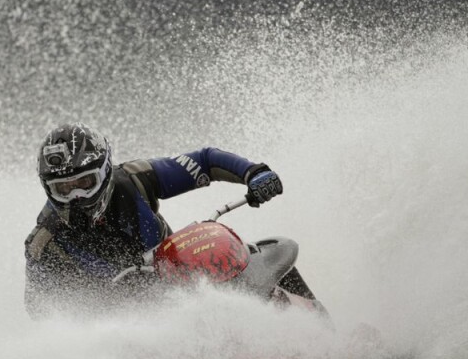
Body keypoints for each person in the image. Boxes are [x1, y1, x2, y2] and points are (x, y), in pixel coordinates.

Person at [24, 123, 284, 319]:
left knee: (259, 256)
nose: (76, 196)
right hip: (132, 329)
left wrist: (253, 173)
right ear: (49, 189)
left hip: (189, 279)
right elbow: (42, 314)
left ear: (104, 172)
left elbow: (205, 161)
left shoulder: (136, 178)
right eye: (63, 189)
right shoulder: (43, 245)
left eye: (84, 182)